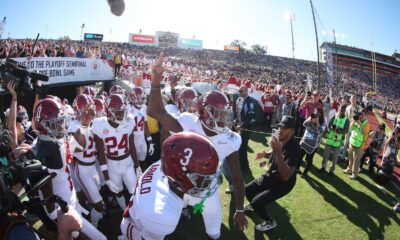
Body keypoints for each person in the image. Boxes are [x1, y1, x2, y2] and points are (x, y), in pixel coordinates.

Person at [147, 53, 247, 239]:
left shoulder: (231, 139)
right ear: (205, 112)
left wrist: (240, 208)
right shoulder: (187, 122)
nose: (224, 118)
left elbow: (237, 177)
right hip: (180, 185)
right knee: (162, 224)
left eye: (226, 114)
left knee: (214, 232)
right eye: (219, 113)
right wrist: (156, 79)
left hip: (209, 188)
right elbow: (156, 111)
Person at [120, 132, 220, 240]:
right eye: (201, 177)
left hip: (142, 209)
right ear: (181, 176)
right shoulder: (162, 214)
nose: (208, 183)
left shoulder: (168, 165)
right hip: (137, 228)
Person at [245, 116, 300, 232]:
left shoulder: (295, 148)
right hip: (272, 175)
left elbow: (286, 176)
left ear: (292, 131)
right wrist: (265, 154)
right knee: (248, 190)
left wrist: (278, 151)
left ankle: (270, 221)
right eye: (280, 126)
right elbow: (275, 152)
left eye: (284, 128)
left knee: (257, 203)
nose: (280, 130)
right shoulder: (280, 139)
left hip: (283, 184)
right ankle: (253, 206)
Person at [92, 94, 140, 210]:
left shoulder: (129, 121)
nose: (122, 114)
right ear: (109, 111)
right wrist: (106, 178)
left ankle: (137, 210)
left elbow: (131, 145)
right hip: (112, 165)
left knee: (134, 190)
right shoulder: (99, 124)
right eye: (119, 112)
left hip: (127, 162)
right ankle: (125, 211)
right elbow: (100, 153)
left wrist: (137, 166)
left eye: (123, 111)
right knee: (118, 191)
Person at [321, 105, 350, 174]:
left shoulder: (347, 120)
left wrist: (339, 131)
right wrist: (332, 127)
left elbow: (346, 130)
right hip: (330, 139)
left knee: (334, 158)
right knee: (325, 155)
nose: (341, 112)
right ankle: (323, 167)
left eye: (343, 111)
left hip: (338, 142)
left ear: (345, 112)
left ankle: (331, 171)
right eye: (340, 110)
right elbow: (330, 124)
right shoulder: (335, 115)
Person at [344, 108, 370, 179]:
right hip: (352, 142)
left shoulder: (367, 124)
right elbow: (351, 128)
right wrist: (353, 121)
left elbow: (364, 133)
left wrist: (359, 123)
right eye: (360, 114)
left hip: (360, 145)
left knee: (356, 161)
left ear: (366, 116)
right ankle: (349, 169)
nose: (361, 116)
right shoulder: (357, 120)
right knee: (350, 158)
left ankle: (354, 174)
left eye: (363, 115)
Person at [236, 85, 257, 172]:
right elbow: (241, 114)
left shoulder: (250, 101)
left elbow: (251, 115)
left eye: (241, 91)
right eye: (239, 91)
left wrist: (242, 126)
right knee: (241, 147)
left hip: (246, 128)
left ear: (245, 91)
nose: (239, 93)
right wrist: (235, 120)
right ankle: (242, 165)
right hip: (243, 127)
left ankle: (245, 167)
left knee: (243, 147)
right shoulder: (242, 100)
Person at [298, 114, 324, 178]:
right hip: (304, 143)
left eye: (316, 116)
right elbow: (304, 124)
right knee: (300, 156)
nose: (314, 118)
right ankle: (297, 168)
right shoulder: (310, 122)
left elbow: (320, 132)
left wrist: (317, 122)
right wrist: (310, 118)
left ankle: (305, 173)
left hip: (313, 146)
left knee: (308, 159)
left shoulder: (323, 124)